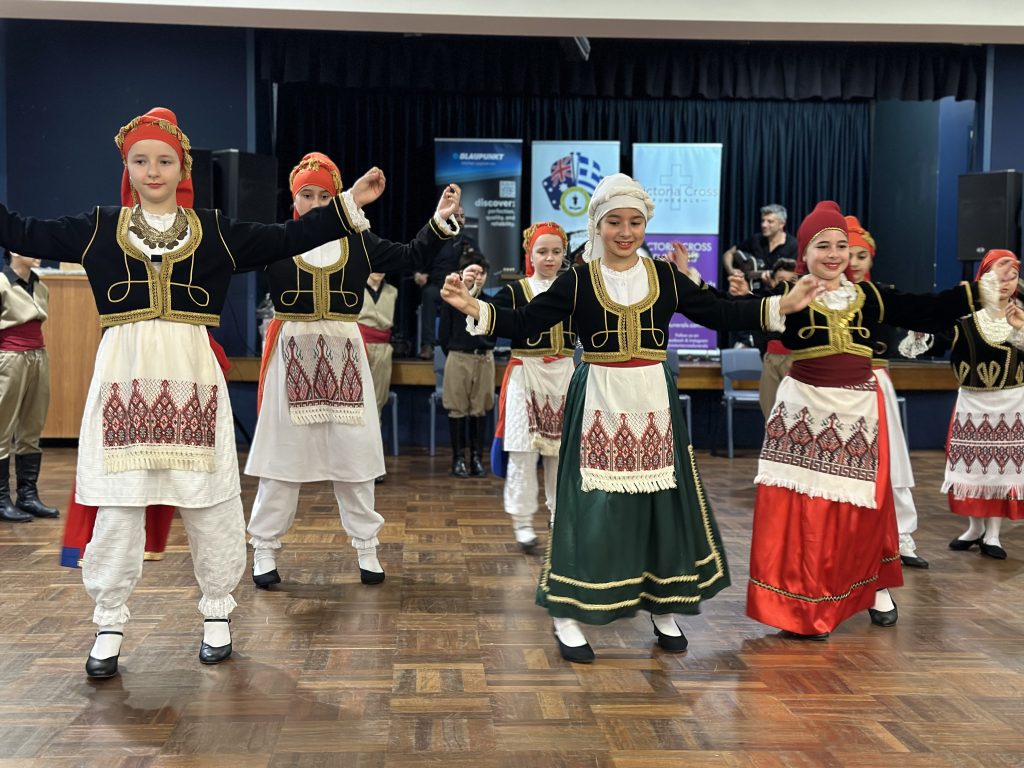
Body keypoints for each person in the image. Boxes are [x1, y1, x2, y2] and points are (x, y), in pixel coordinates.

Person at [0, 107, 383, 678]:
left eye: (163, 161)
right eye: (140, 161)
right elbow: (23, 231)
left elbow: (292, 234)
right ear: (126, 168)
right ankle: (108, 620)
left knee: (209, 501)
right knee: (120, 503)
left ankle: (217, 613)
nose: (152, 171)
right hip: (123, 380)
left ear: (180, 167)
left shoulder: (216, 232)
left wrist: (348, 201)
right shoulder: (100, 227)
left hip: (192, 380)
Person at [441, 173, 823, 663]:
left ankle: (661, 605)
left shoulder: (665, 277)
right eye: (615, 222)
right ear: (598, 226)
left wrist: (779, 305)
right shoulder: (577, 280)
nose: (626, 231)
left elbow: (719, 312)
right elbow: (527, 322)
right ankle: (568, 612)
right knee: (591, 510)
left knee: (658, 507)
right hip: (600, 397)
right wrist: (475, 307)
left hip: (653, 402)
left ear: (646, 226)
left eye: (635, 222)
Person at [746, 202, 1008, 641]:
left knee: (862, 509)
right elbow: (740, 319)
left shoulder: (868, 296)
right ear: (804, 252)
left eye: (841, 247)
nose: (833, 255)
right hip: (804, 413)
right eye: (822, 245)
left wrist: (976, 293)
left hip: (858, 414)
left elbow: (923, 309)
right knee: (804, 513)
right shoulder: (788, 298)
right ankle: (801, 603)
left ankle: (875, 588)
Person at [246, 152, 461, 588]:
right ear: (294, 198)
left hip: (346, 358)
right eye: (307, 194)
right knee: (282, 462)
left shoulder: (359, 243)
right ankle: (264, 548)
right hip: (292, 359)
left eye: (325, 195)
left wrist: (438, 220)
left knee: (356, 460)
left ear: (338, 197)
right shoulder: (278, 239)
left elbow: (412, 254)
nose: (316, 202)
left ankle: (367, 547)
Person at [900, 249, 1024, 561]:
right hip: (973, 402)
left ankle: (992, 533)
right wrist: (920, 332)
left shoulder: (1020, 315)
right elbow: (934, 344)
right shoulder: (963, 318)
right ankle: (973, 527)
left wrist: (1020, 329)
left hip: (1012, 403)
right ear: (983, 278)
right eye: (999, 274)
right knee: (973, 467)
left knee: (1000, 469)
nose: (1006, 281)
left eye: (1012, 275)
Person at [844, 215, 927, 569]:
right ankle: (850, 536)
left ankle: (903, 537)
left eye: (860, 256)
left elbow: (916, 320)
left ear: (871, 259)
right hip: (841, 390)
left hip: (877, 383)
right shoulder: (825, 298)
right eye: (847, 255)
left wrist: (919, 331)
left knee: (892, 463)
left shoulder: (885, 296)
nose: (853, 263)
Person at [490, 222, 575, 551]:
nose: (550, 258)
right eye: (543, 251)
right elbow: (489, 317)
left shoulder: (572, 289)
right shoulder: (514, 291)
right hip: (526, 374)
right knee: (523, 451)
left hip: (563, 374)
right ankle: (523, 523)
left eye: (556, 252)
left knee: (560, 453)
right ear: (530, 254)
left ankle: (558, 514)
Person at [0, 250, 59, 522]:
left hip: (38, 356)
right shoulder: (1, 282)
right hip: (9, 358)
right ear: (12, 251)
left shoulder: (41, 286)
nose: (38, 254)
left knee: (32, 426)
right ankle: (1, 500)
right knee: (2, 428)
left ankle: (28, 496)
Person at [438, 253, 495, 477]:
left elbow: (495, 331)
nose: (478, 277)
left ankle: (476, 459)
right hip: (458, 356)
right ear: (461, 274)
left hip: (484, 358)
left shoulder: (491, 302)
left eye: (482, 273)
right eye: (472, 272)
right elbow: (443, 334)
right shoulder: (452, 301)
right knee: (457, 408)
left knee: (480, 408)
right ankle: (458, 459)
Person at [728, 257, 798, 417]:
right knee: (771, 416)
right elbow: (753, 312)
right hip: (771, 361)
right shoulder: (764, 308)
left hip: (799, 362)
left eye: (792, 281)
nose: (787, 287)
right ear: (773, 283)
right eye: (781, 282)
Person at [414, 205, 476, 359]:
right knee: (428, 294)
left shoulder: (469, 242)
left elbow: (479, 263)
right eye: (456, 216)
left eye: (462, 216)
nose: (460, 219)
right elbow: (420, 261)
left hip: (459, 287)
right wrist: (419, 274)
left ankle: (464, 345)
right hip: (437, 286)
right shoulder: (436, 240)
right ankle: (427, 345)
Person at [358, 270, 399, 484]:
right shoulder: (354, 286)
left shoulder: (393, 291)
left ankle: (373, 464)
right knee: (356, 404)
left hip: (383, 348)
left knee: (377, 404)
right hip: (357, 345)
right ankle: (353, 461)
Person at [722, 204, 798, 281]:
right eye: (763, 221)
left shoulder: (793, 245)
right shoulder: (756, 240)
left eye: (770, 221)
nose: (764, 225)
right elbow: (729, 253)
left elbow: (792, 277)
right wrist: (731, 270)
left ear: (782, 224)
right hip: (753, 291)